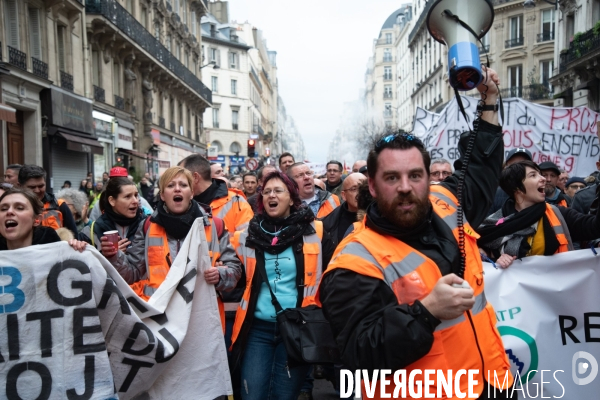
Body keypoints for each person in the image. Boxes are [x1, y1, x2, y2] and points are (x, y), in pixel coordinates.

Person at [319, 67, 515, 398]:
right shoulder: (355, 258)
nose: (406, 187)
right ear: (373, 186)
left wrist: (490, 101)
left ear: (428, 177)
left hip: (491, 383)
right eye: (392, 177)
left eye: (415, 175)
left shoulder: (446, 201)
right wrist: (425, 313)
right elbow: (358, 355)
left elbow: (481, 165)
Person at [229, 171, 332, 400]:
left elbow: (333, 274)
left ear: (292, 197)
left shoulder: (317, 232)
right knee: (252, 395)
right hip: (258, 329)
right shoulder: (245, 236)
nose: (271, 196)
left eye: (278, 191)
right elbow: (232, 268)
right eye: (266, 192)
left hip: (297, 329)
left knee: (284, 396)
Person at [117, 167, 241, 316]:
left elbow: (235, 271)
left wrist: (220, 275)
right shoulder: (147, 227)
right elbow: (132, 274)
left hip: (201, 318)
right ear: (162, 195)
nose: (177, 189)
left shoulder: (215, 226)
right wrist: (114, 256)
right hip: (159, 318)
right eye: (170, 186)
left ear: (191, 193)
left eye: (183, 185)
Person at [478, 160, 600, 268]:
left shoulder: (559, 214)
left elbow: (595, 227)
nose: (543, 179)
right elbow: (477, 251)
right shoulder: (493, 224)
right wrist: (493, 259)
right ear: (517, 188)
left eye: (540, 174)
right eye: (533, 175)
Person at [179, 154, 253, 235]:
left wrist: (219, 241)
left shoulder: (236, 202)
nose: (178, 184)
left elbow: (247, 240)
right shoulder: (183, 204)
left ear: (195, 177)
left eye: (183, 177)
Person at [79, 177, 145, 267]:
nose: (135, 201)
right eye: (128, 196)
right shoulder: (90, 232)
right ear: (112, 201)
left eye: (136, 195)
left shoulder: (147, 226)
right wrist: (108, 256)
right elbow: (83, 268)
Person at [0, 187, 86, 251]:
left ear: (37, 220)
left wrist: (77, 248)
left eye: (19, 208)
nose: (9, 211)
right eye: (3, 209)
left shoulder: (56, 249)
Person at [18, 164, 78, 237]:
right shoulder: (11, 208)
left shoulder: (59, 205)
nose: (37, 190)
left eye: (41, 186)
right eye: (32, 187)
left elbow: (75, 238)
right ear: (20, 186)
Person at [321, 172, 365, 264]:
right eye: (354, 189)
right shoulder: (328, 223)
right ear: (344, 195)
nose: (360, 193)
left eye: (364, 188)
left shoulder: (381, 217)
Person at [88, 167, 153, 221]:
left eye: (121, 179)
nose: (134, 201)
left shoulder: (141, 202)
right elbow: (92, 225)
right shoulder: (100, 203)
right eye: (114, 179)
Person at [488, 147, 533, 214]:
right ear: (506, 167)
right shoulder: (494, 194)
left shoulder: (538, 194)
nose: (518, 169)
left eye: (523, 164)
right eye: (514, 165)